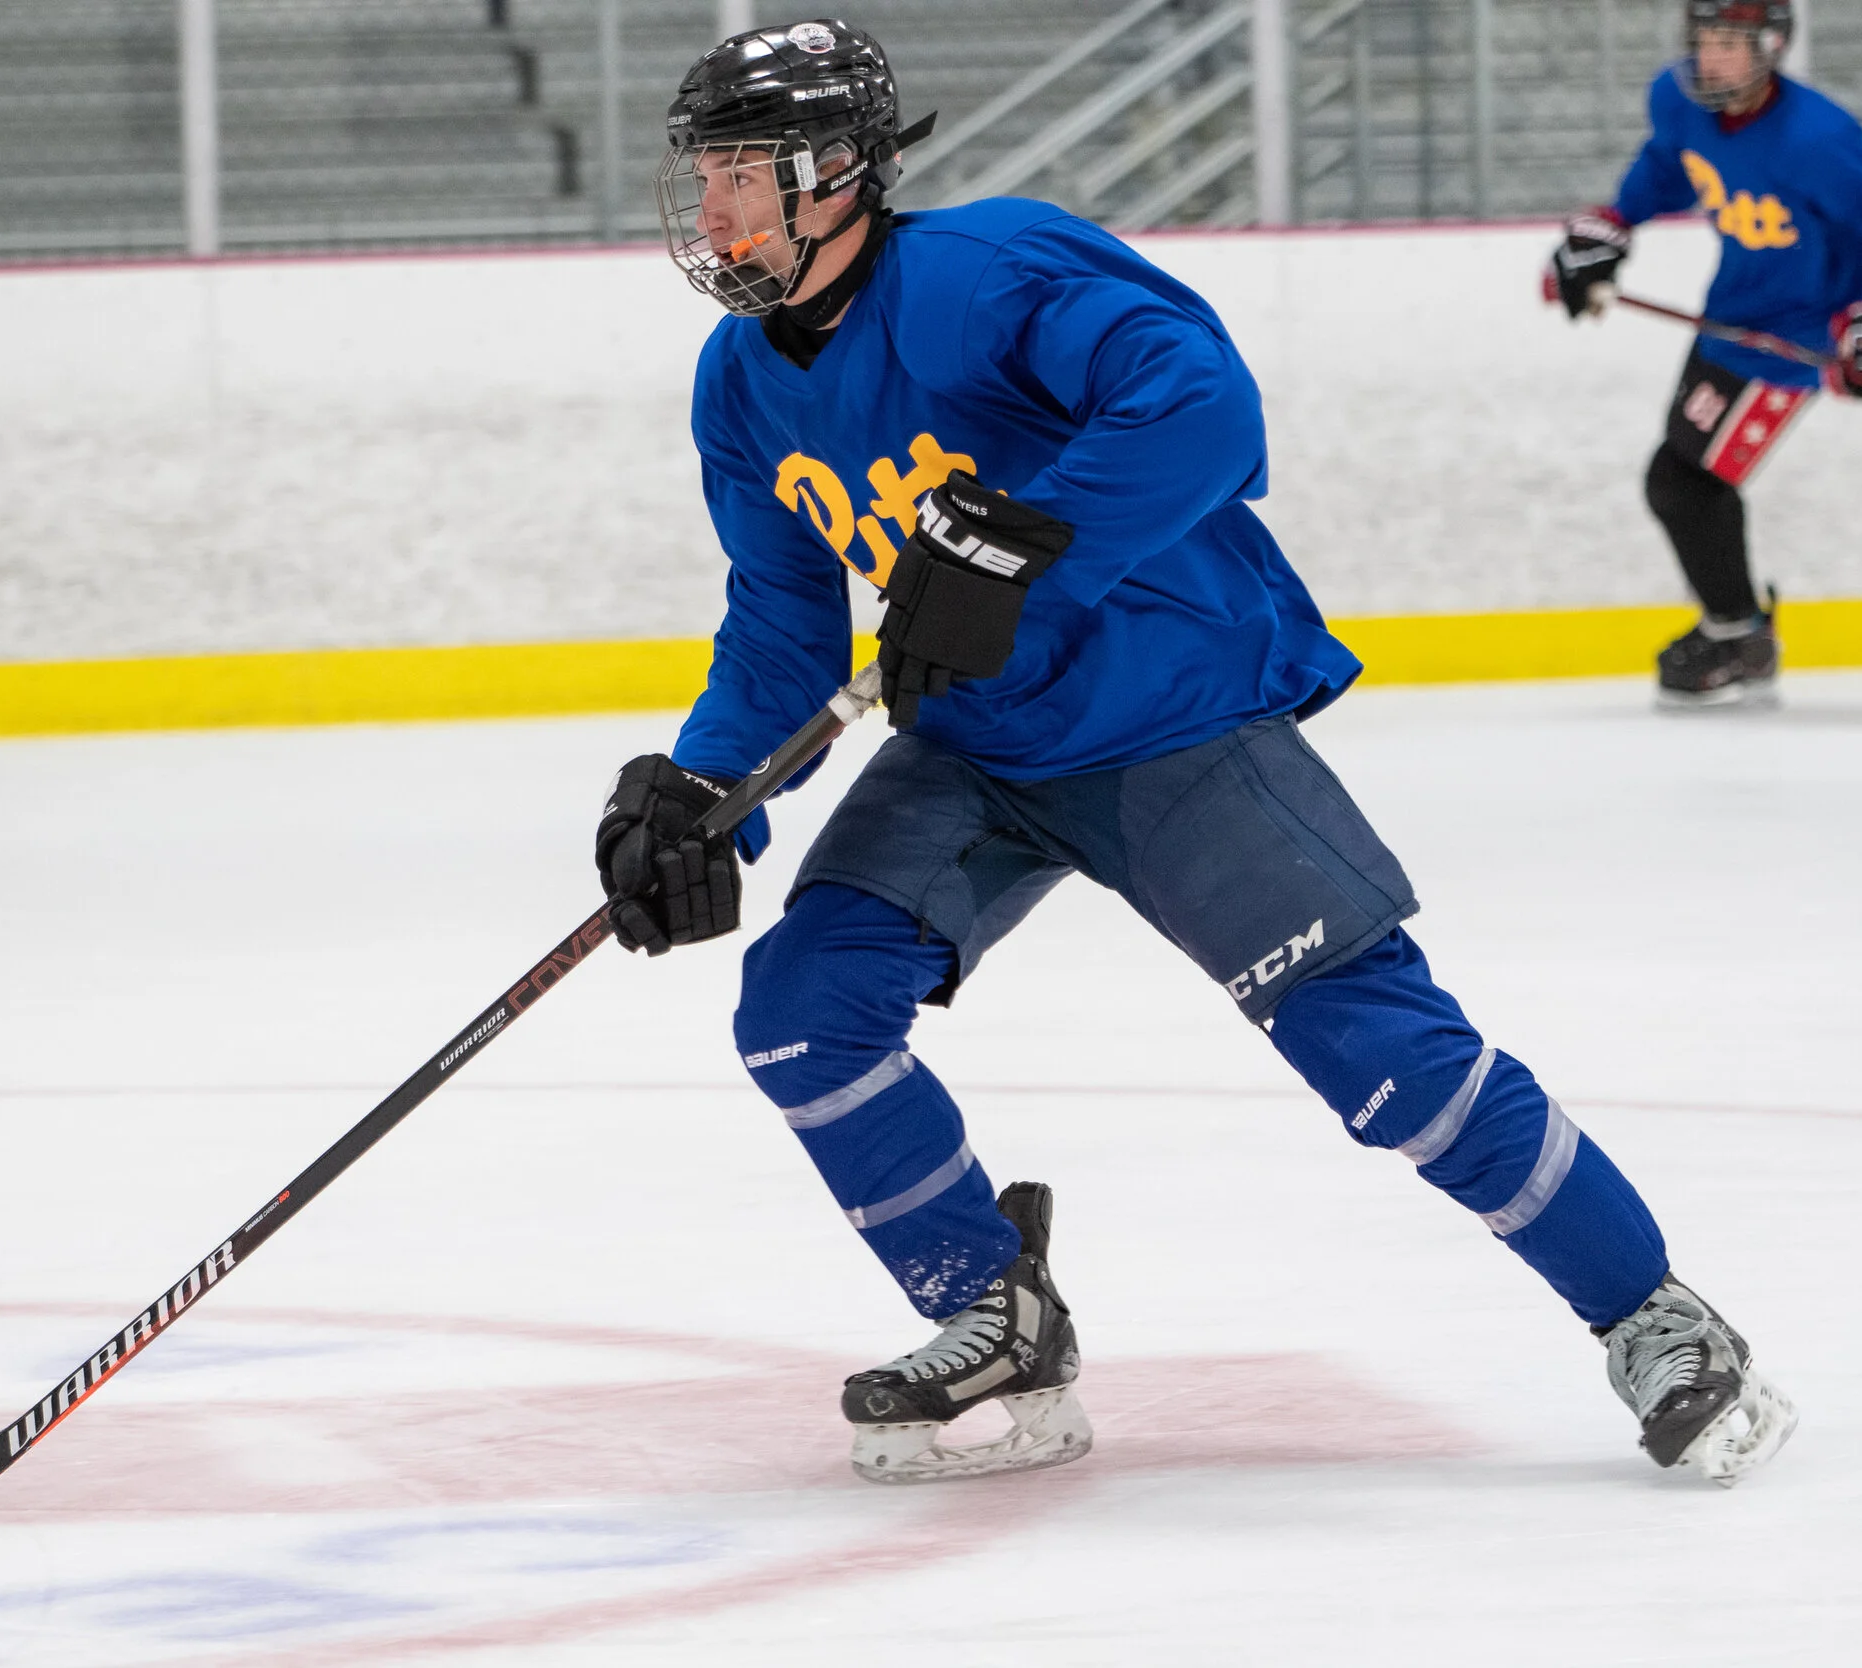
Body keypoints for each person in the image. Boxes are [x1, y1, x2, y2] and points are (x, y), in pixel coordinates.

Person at [595, 18, 1796, 1487]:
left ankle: (1654, 1314)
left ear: (839, 171)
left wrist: (1023, 549)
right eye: (704, 173)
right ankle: (996, 1311)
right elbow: (781, 623)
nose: (713, 208)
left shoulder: (988, 273)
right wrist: (707, 790)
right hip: (976, 750)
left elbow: (1206, 406)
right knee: (801, 1009)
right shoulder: (738, 380)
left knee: (1377, 1052)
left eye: (744, 172)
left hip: (1169, 714)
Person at [1549, 0, 1862, 708]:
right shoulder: (1678, 99)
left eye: (1730, 43)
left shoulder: (1820, 140)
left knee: (1682, 481)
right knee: (1684, 479)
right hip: (1731, 317)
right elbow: (1671, 164)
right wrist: (1614, 226)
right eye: (1705, 40)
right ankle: (1738, 631)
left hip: (1795, 341)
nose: (1711, 58)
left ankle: (1737, 638)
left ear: (1772, 48)